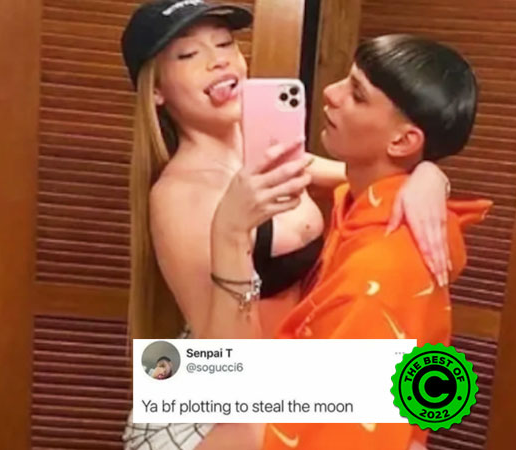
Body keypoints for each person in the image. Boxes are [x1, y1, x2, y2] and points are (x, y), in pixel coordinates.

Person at [120, 1, 455, 448]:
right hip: (216, 396)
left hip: (286, 371)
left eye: (225, 43)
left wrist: (430, 174)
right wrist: (231, 232)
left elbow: (371, 174)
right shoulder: (178, 195)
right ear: (157, 91)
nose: (218, 60)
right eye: (188, 54)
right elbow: (224, 369)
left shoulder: (271, 156)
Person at [210, 35, 492, 450]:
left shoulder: (378, 272)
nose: (330, 92)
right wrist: (428, 171)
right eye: (188, 55)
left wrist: (228, 232)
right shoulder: (368, 205)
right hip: (252, 378)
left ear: (402, 141)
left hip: (255, 399)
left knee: (161, 377)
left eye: (357, 94)